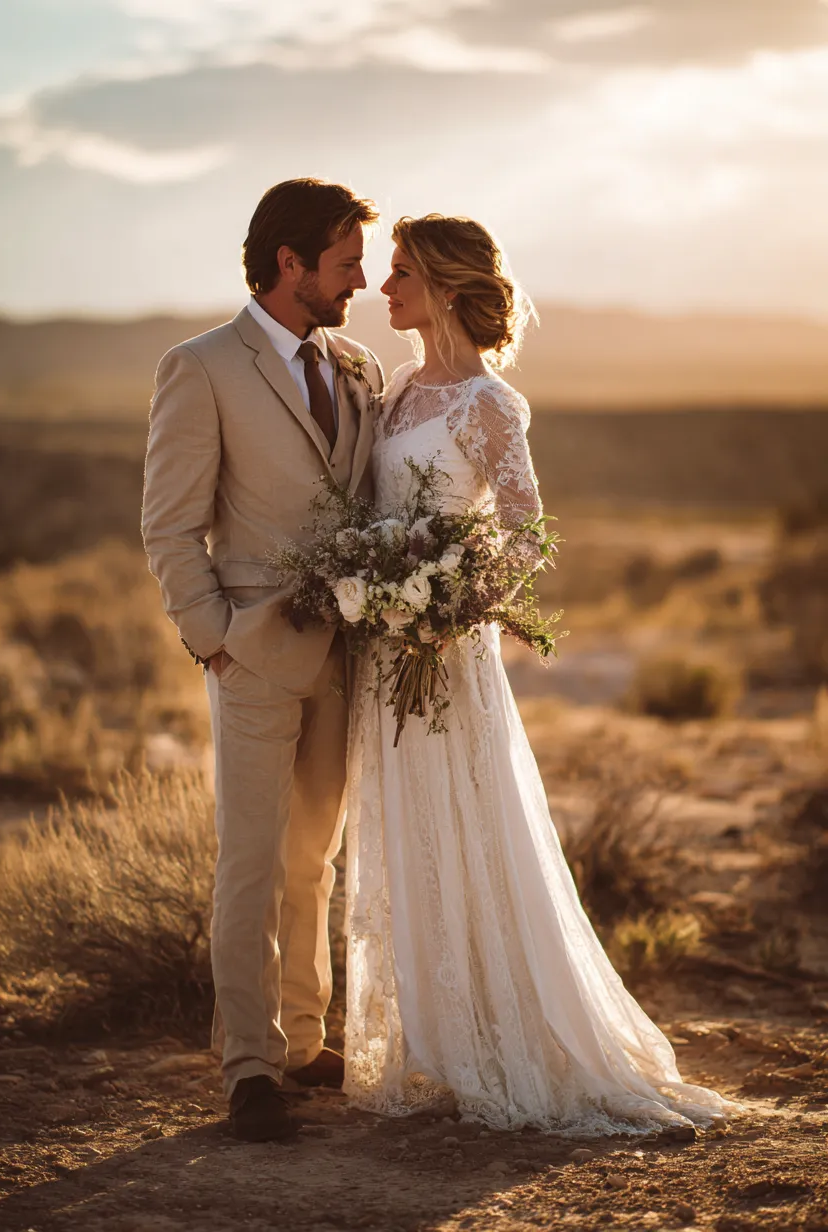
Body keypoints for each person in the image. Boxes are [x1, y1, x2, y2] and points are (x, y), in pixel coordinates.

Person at [342, 213, 738, 1134]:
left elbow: (525, 534)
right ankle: (434, 1043)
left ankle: (503, 1038)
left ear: (442, 286)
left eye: (400, 272)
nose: (384, 287)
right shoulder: (397, 391)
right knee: (410, 834)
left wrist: (452, 606)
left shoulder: (489, 405)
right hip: (385, 655)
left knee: (471, 829)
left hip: (448, 656)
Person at [142, 178, 382, 1142]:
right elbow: (168, 526)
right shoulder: (200, 367)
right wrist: (216, 644)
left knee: (312, 856)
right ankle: (249, 1066)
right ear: (290, 263)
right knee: (248, 860)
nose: (360, 280)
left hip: (345, 652)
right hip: (252, 652)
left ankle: (302, 1034)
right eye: (346, 261)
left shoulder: (358, 365)